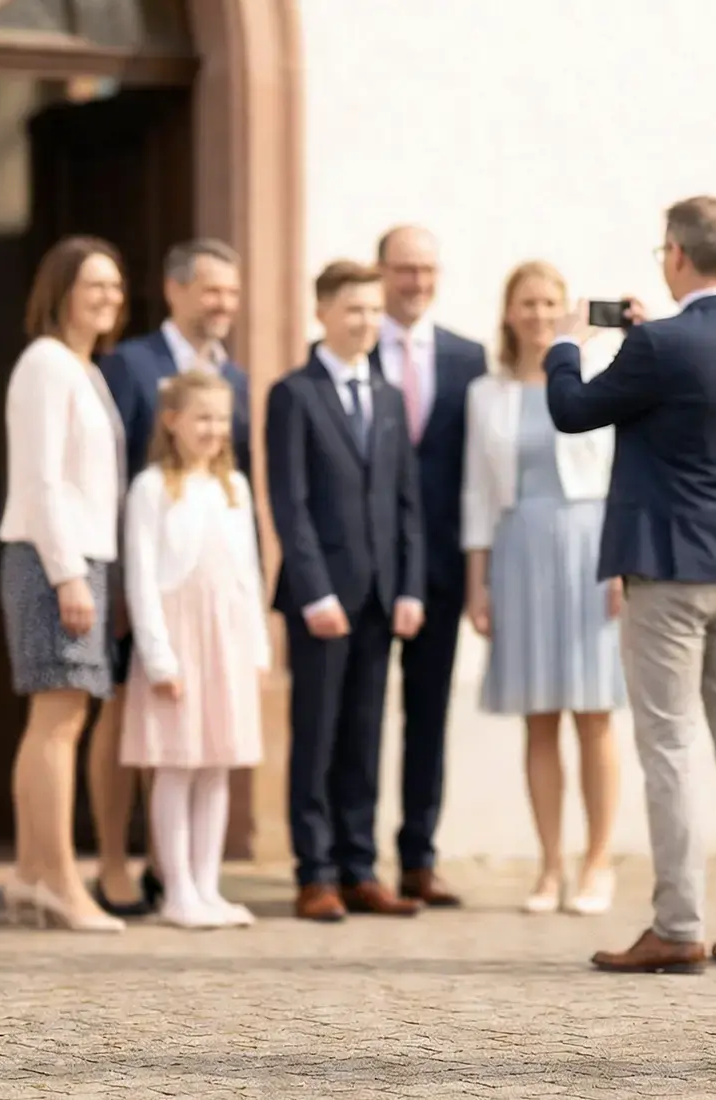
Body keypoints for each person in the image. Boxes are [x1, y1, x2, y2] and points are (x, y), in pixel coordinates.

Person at [543, 197, 716, 973]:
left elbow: (572, 409)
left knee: (670, 747)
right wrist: (649, 336)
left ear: (677, 256)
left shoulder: (657, 345)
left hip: (670, 566)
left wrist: (563, 344)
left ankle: (678, 925)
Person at [92, 239, 252, 916]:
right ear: (176, 289)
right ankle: (111, 861)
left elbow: (234, 490)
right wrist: (120, 585)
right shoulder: (129, 365)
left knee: (196, 744)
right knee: (125, 720)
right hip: (140, 575)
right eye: (212, 291)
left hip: (209, 589)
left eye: (233, 294)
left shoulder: (233, 378)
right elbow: (108, 469)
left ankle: (181, 876)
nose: (224, 305)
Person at [265, 260, 427, 922]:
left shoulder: (388, 397)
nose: (365, 322)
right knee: (318, 735)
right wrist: (314, 592)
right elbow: (290, 502)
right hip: (323, 601)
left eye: (372, 310)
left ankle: (361, 867)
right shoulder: (294, 394)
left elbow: (406, 502)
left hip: (382, 596)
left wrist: (410, 586)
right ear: (323, 313)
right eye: (352, 309)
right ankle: (316, 872)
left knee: (365, 736)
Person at [462, 260, 625, 916]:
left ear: (566, 309)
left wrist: (621, 562)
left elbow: (620, 472)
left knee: (593, 712)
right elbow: (476, 489)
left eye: (548, 302)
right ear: (509, 313)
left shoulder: (592, 378)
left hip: (590, 547)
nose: (536, 313)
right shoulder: (487, 393)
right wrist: (478, 582)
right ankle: (550, 865)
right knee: (538, 716)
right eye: (526, 303)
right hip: (518, 549)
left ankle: (598, 862)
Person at [0, 235, 129, 933]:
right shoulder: (46, 365)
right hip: (55, 560)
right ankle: (60, 883)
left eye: (115, 286)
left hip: (77, 560)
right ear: (61, 291)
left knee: (57, 721)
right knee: (58, 723)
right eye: (94, 285)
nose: (108, 297)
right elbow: (45, 479)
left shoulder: (84, 367)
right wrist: (70, 574)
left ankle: (28, 874)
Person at [119, 370, 269, 930]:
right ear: (172, 421)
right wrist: (158, 656)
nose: (214, 429)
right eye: (202, 417)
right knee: (177, 766)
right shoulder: (152, 489)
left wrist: (257, 649)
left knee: (216, 768)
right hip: (179, 641)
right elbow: (141, 577)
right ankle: (176, 888)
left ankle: (208, 887)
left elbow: (249, 575)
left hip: (226, 639)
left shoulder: (234, 488)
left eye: (221, 419)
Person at [371, 226, 488, 907]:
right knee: (356, 719)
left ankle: (419, 857)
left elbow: (481, 468)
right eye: (403, 269)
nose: (415, 281)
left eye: (426, 269)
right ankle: (348, 859)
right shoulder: (349, 351)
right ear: (380, 272)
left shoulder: (469, 358)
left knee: (428, 717)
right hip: (366, 568)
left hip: (441, 567)